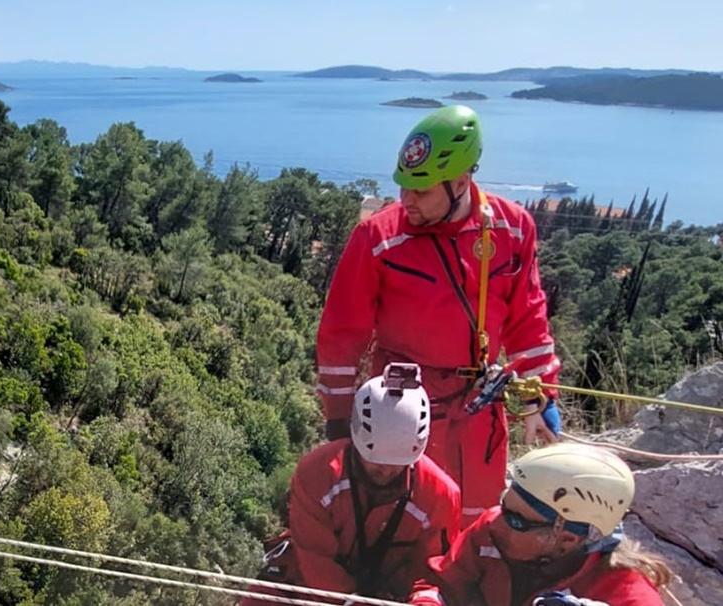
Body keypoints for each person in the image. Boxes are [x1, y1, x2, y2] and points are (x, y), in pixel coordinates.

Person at [315, 104, 562, 528]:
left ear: (461, 182)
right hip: (402, 409)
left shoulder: (512, 229)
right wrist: (339, 420)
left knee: (475, 518)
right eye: (403, 186)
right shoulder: (380, 237)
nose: (406, 199)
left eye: (421, 189)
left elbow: (528, 318)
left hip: (480, 409)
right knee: (408, 522)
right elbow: (341, 334)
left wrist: (543, 396)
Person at [240, 363, 461, 604]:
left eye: (397, 463)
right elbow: (315, 560)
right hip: (313, 589)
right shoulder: (317, 474)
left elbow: (433, 573)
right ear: (356, 440)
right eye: (374, 460)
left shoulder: (440, 495)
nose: (386, 469)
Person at [409, 442, 672, 606]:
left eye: (516, 520)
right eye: (504, 505)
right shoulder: (490, 532)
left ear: (568, 539)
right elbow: (442, 584)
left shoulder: (625, 595)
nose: (497, 521)